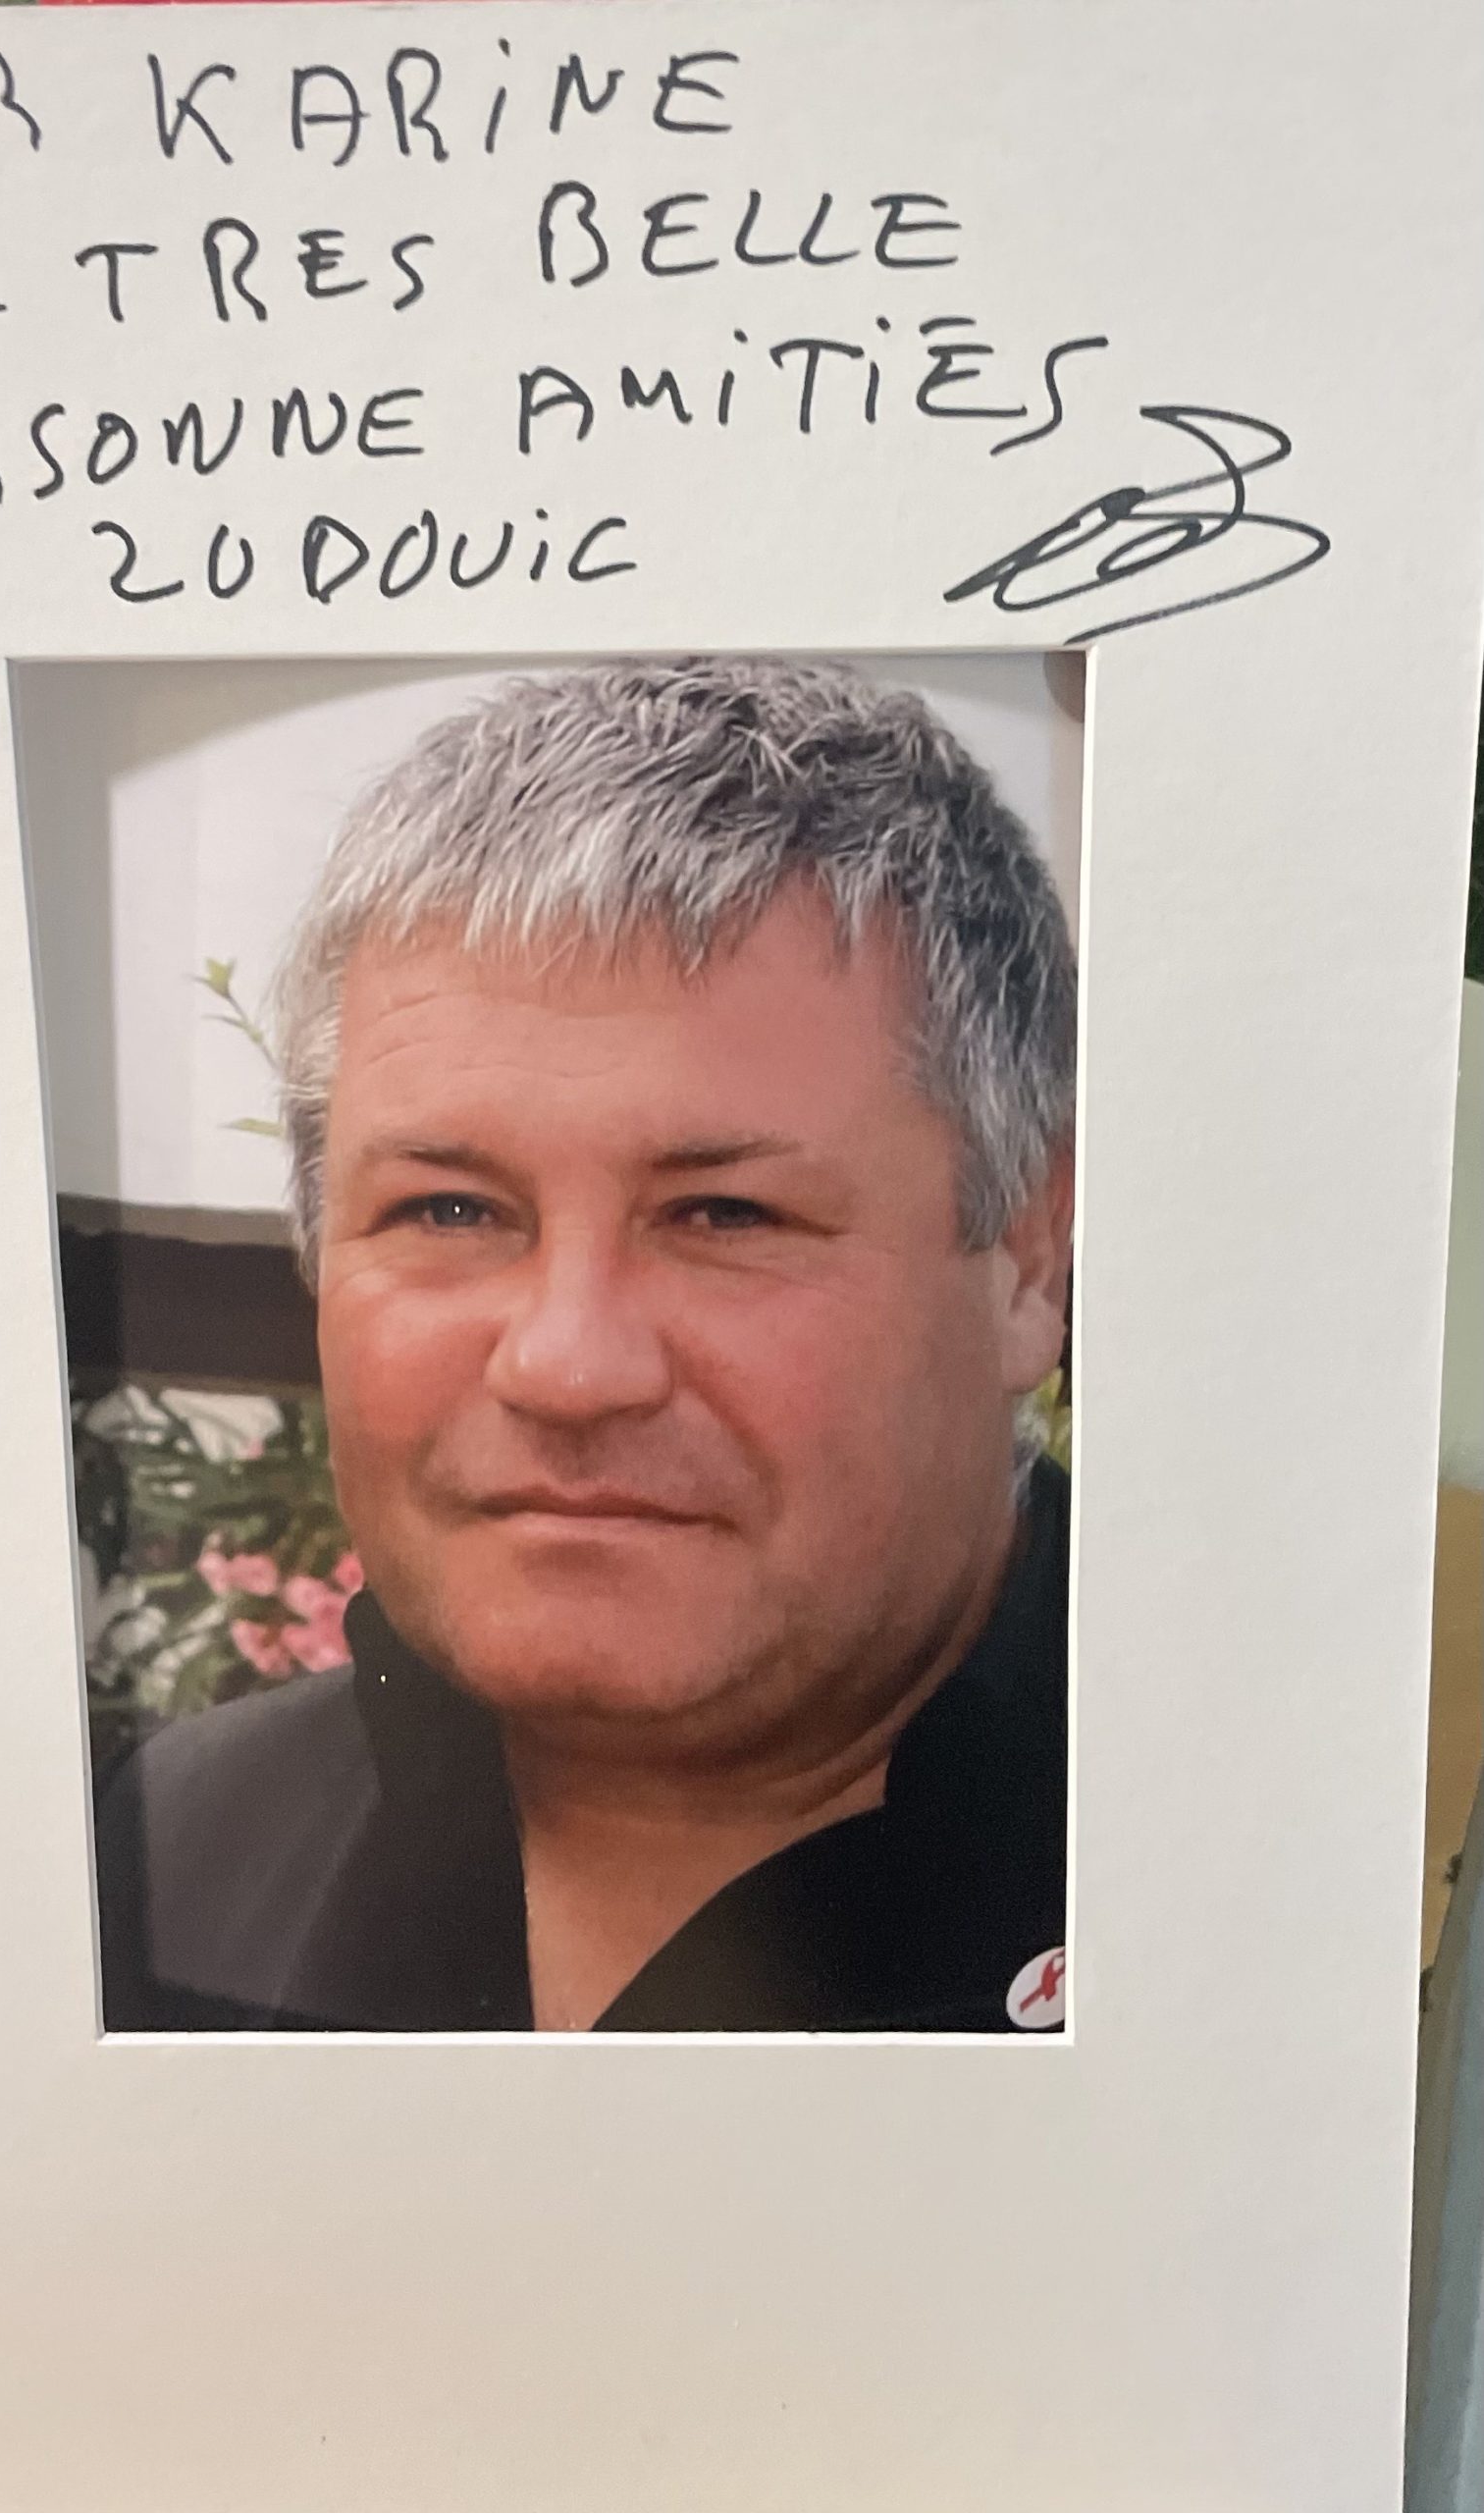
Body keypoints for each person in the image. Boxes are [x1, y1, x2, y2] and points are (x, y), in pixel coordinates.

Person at [95, 656, 1077, 2034]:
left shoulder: (1264, 1886)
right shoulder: (178, 1854)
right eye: (448, 1209)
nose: (564, 1367)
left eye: (724, 1214)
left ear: (1029, 1259)